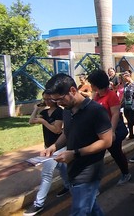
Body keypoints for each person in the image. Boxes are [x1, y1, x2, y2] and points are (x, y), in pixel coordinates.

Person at [41, 73, 112, 216]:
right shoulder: (67, 111)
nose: (58, 103)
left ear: (73, 90)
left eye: (60, 99)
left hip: (89, 172)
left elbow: (106, 141)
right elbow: (67, 133)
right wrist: (54, 146)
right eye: (54, 100)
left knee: (79, 212)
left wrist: (75, 153)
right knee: (92, 209)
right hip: (72, 170)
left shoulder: (96, 111)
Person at [24, 91, 70, 216]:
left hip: (58, 146)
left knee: (46, 174)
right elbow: (31, 121)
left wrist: (44, 122)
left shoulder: (59, 112)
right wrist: (36, 109)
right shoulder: (44, 112)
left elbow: (57, 130)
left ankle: (38, 204)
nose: (47, 101)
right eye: (45, 99)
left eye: (49, 99)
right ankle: (68, 185)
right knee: (62, 167)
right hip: (47, 146)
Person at [87, 69, 131, 186]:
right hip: (100, 132)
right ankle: (94, 184)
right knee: (96, 158)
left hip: (113, 131)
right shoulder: (96, 96)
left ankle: (125, 173)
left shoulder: (111, 95)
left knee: (116, 154)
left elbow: (115, 114)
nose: (90, 85)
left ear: (97, 84)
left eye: (92, 83)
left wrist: (111, 131)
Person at [122, 70, 134, 139]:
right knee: (128, 120)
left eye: (126, 76)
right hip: (126, 105)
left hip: (132, 105)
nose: (125, 78)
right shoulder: (125, 85)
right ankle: (131, 134)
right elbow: (124, 95)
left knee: (132, 119)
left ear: (129, 76)